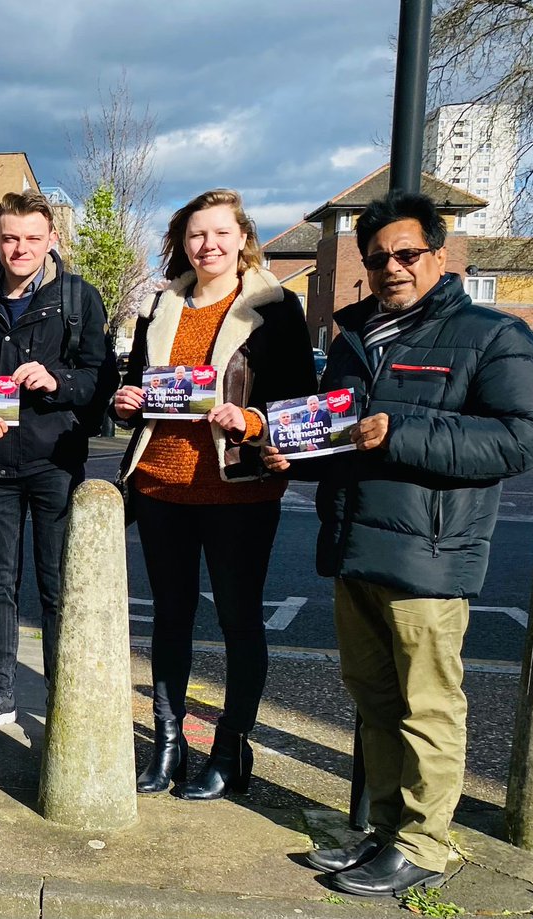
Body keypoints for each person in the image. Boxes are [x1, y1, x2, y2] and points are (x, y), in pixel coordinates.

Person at [264, 191, 533, 896]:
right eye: (378, 258)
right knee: (373, 698)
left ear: (438, 254)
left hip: (430, 553)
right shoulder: (353, 337)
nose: (392, 267)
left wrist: (401, 430)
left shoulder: (493, 334)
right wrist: (292, 454)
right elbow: (339, 437)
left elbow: (527, 436)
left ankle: (425, 843)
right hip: (354, 545)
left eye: (406, 253)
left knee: (427, 705)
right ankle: (388, 831)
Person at [113, 188, 315, 801]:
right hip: (161, 486)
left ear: (243, 238)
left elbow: (300, 397)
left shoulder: (275, 307)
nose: (209, 245)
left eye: (221, 233)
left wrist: (252, 422)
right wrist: (126, 404)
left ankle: (230, 749)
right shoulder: (159, 306)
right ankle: (168, 744)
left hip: (239, 488)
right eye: (197, 235)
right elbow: (136, 389)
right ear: (182, 243)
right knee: (170, 619)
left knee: (237, 621)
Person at [0, 189, 114, 733]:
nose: (19, 248)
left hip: (54, 462)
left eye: (30, 238)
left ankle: (60, 699)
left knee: (55, 587)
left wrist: (57, 381)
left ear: (50, 240)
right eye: (9, 238)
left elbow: (101, 381)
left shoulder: (77, 297)